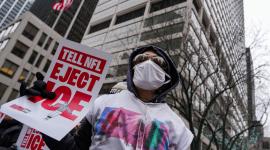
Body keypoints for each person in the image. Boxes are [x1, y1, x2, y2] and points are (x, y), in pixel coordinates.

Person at [25, 45, 194, 150]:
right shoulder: (102, 103)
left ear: (167, 74)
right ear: (132, 68)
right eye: (141, 59)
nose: (148, 63)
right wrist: (41, 112)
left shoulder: (178, 127)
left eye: (158, 61)